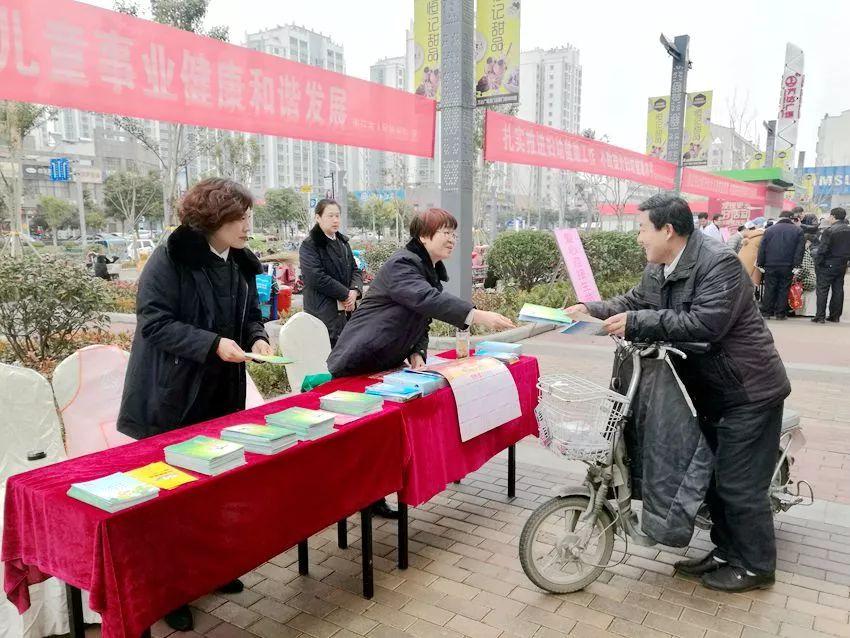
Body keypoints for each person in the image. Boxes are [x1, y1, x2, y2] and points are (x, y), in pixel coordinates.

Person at [566, 193, 789, 593]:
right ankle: (725, 553)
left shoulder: (718, 263)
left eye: (642, 229)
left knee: (740, 483)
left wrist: (636, 322)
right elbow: (634, 302)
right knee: (715, 480)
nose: (638, 238)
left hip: (748, 392)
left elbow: (707, 322)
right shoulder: (660, 266)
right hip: (705, 390)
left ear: (668, 230)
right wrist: (591, 309)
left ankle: (755, 567)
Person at [117, 177, 272, 632]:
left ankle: (211, 569)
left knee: (212, 486)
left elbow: (250, 317)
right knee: (170, 498)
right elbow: (154, 322)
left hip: (220, 391)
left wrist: (257, 338)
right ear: (214, 218)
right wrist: (211, 344)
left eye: (248, 216)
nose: (248, 226)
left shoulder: (239, 261)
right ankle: (169, 590)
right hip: (172, 393)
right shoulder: (172, 257)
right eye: (239, 217)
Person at [299, 198, 363, 346]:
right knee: (325, 357)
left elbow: (355, 269)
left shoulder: (343, 243)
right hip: (322, 314)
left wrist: (354, 291)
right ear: (318, 217)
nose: (335, 220)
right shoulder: (310, 245)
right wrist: (346, 294)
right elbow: (316, 277)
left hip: (345, 313)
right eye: (330, 216)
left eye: (337, 215)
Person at [757, 211, 805, 320]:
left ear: (780, 217)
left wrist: (761, 263)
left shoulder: (769, 230)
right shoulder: (798, 231)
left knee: (769, 288)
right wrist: (797, 265)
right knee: (784, 288)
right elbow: (799, 250)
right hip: (787, 265)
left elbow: (762, 248)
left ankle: (766, 312)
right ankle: (780, 313)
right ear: (791, 218)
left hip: (770, 264)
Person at [813, 207, 850, 323]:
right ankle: (835, 316)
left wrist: (818, 262)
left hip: (827, 264)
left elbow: (823, 249)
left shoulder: (829, 231)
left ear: (833, 216)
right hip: (842, 264)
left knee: (822, 290)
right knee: (838, 290)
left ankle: (820, 316)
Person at [737, 221, 766, 287]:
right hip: (753, 263)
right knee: (749, 284)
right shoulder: (762, 237)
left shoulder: (748, 237)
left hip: (741, 262)